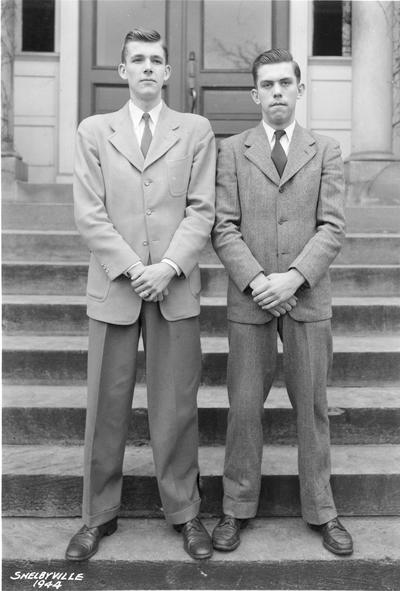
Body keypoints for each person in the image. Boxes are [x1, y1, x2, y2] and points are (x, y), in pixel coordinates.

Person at [65, 28, 215, 562]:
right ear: (123, 70)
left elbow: (201, 209)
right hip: (115, 287)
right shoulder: (94, 130)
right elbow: (89, 213)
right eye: (137, 60)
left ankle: (186, 513)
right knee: (106, 407)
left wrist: (169, 266)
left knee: (176, 407)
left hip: (174, 289)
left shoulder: (195, 129)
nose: (148, 67)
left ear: (168, 72)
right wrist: (134, 268)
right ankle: (96, 517)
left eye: (156, 59)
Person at [211, 48, 353, 556]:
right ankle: (234, 508)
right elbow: (223, 226)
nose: (276, 93)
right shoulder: (231, 150)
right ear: (255, 94)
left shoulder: (327, 150)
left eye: (284, 84)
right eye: (266, 85)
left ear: (299, 89)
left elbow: (332, 227)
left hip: (307, 298)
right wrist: (257, 282)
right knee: (244, 408)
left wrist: (292, 279)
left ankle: (322, 510)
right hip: (251, 302)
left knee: (312, 407)